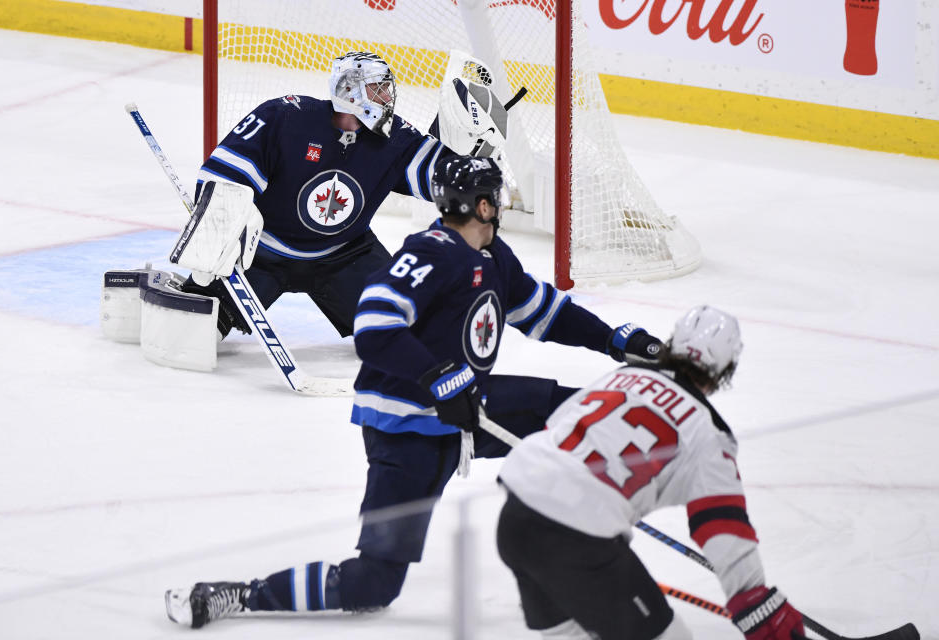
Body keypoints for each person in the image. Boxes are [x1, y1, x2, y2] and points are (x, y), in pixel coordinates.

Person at [164, 155, 668, 629]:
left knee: (583, 412)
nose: (504, 204)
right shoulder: (430, 252)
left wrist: (613, 340)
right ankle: (240, 594)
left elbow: (543, 311)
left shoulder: (492, 255)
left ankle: (609, 519)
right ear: (485, 206)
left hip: (468, 407)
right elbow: (375, 325)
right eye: (498, 197)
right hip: (406, 429)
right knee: (373, 584)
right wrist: (438, 376)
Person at [496, 306, 807, 640]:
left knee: (571, 635)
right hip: (577, 541)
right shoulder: (708, 433)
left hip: (515, 519)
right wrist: (754, 601)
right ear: (725, 370)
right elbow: (722, 526)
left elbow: (554, 428)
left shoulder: (618, 378)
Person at [181, 50, 458, 338]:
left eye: (387, 90)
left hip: (345, 256)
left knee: (410, 328)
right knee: (199, 329)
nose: (387, 98)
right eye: (378, 89)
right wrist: (227, 225)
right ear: (350, 91)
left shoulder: (394, 138)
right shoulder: (285, 117)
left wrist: (472, 156)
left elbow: (440, 177)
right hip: (263, 253)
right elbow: (223, 176)